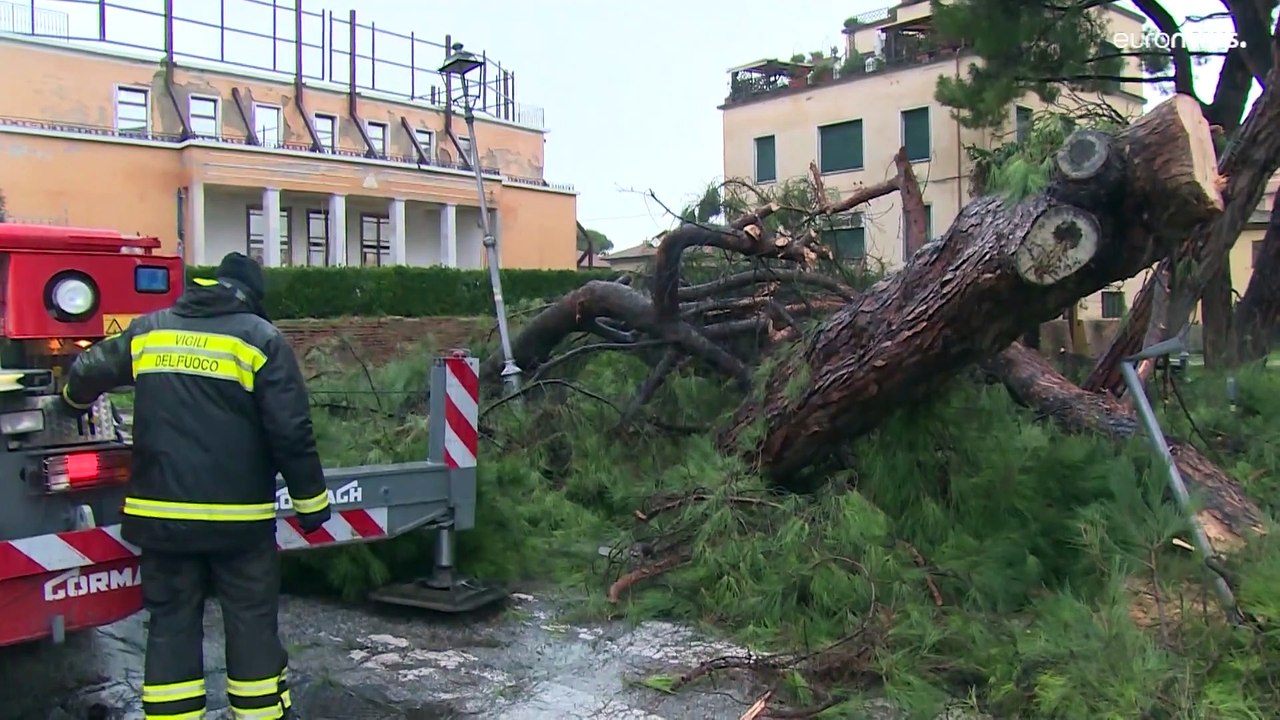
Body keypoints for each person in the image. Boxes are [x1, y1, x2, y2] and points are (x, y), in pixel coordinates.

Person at [59, 252, 331, 720]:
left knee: (170, 625)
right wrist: (311, 506)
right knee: (250, 624)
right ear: (250, 297)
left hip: (160, 520)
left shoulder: (152, 330)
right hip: (239, 526)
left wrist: (70, 402)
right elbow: (291, 431)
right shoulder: (260, 339)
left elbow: (89, 369)